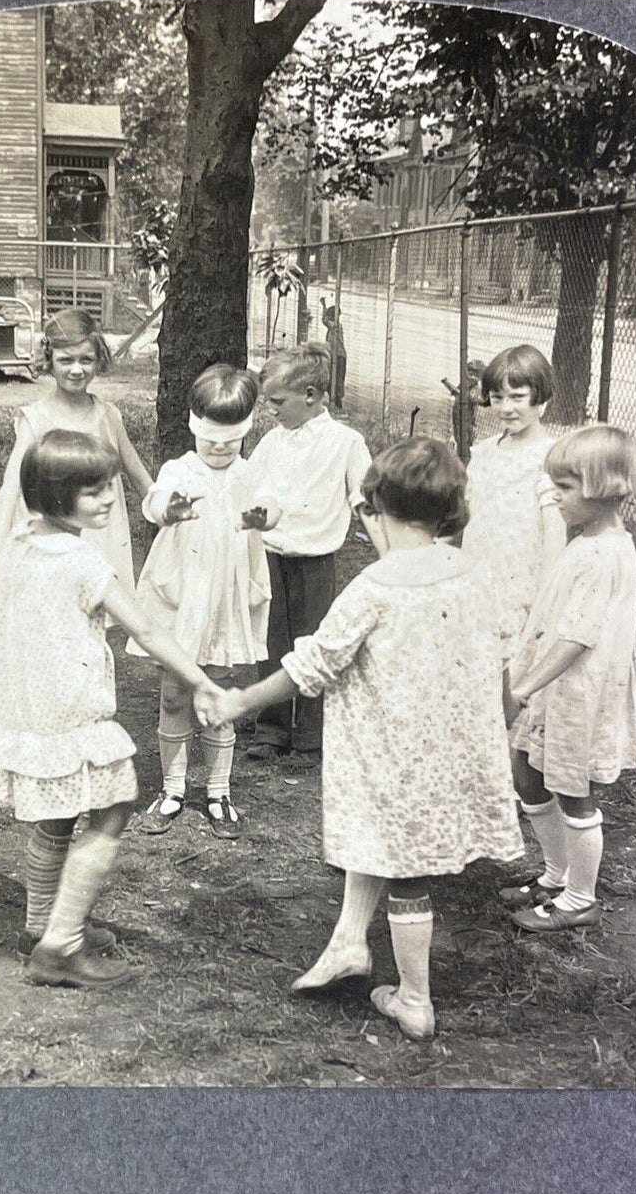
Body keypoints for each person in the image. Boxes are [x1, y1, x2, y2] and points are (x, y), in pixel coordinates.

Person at [202, 438, 522, 1042]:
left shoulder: (375, 588)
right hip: (453, 748)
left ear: (374, 504)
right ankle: (349, 943)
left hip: (394, 752)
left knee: (406, 872)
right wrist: (503, 713)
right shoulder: (473, 572)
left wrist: (239, 700)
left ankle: (415, 1000)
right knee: (384, 843)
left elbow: (310, 667)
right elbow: (499, 649)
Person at [0, 431, 225, 989]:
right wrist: (199, 680)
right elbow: (146, 628)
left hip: (29, 708)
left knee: (57, 816)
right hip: (70, 712)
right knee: (116, 805)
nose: (107, 501)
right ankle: (62, 944)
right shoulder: (84, 561)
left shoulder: (20, 539)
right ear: (54, 496)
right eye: (93, 492)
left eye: (110, 489)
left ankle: (37, 927)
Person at [502, 425, 636, 932]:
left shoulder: (604, 555)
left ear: (601, 489)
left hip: (577, 690)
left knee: (573, 788)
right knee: (528, 773)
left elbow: (578, 638)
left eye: (564, 488)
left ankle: (580, 897)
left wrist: (521, 687)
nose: (553, 496)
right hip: (555, 686)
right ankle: (556, 874)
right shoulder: (586, 539)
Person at [128, 363, 270, 839]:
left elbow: (275, 505)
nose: (219, 447)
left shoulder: (251, 474)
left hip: (226, 601)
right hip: (181, 597)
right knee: (173, 691)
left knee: (219, 694)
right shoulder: (179, 470)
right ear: (193, 425)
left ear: (245, 432)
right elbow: (154, 500)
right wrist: (166, 509)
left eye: (230, 440)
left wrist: (265, 517)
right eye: (210, 438)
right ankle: (172, 789)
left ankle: (218, 790)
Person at [241, 344, 372, 762]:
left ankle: (311, 733)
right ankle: (272, 727)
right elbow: (253, 485)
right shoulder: (272, 442)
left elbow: (364, 498)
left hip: (315, 559)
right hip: (272, 555)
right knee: (272, 638)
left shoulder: (346, 442)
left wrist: (390, 549)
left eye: (278, 402)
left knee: (315, 641)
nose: (272, 411)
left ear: (312, 395)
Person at [0, 307, 152, 596]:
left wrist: (163, 505)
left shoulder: (108, 415)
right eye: (66, 360)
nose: (77, 369)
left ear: (98, 360)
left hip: (101, 533)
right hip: (53, 536)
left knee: (99, 607)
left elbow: (139, 476)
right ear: (49, 361)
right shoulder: (36, 418)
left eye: (86, 360)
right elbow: (12, 486)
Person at [460, 344, 568, 657]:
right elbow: (466, 516)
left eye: (517, 397)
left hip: (521, 587)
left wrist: (543, 600)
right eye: (497, 398)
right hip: (479, 580)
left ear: (541, 400)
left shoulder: (549, 458)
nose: (506, 408)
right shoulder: (483, 452)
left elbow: (555, 534)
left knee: (514, 670)